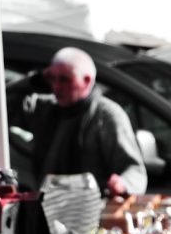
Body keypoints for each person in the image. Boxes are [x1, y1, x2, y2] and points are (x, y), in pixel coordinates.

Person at [19, 47, 147, 196]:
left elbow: (134, 170)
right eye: (52, 79)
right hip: (47, 209)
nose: (56, 87)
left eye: (65, 79)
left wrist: (122, 184)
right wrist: (36, 79)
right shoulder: (45, 109)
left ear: (86, 81)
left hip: (90, 213)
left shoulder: (106, 115)